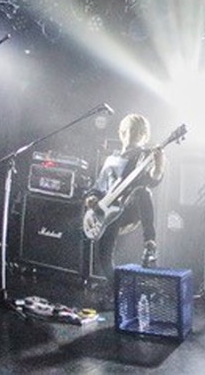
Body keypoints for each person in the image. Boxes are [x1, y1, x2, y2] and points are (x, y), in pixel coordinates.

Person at [85, 113, 163, 287]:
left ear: (145, 136)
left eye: (140, 132)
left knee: (143, 192)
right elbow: (98, 186)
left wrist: (158, 165)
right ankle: (117, 289)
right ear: (122, 133)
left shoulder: (144, 155)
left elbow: (152, 180)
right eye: (131, 130)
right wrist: (91, 198)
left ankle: (150, 242)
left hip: (128, 208)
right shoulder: (111, 159)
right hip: (107, 210)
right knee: (104, 257)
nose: (135, 135)